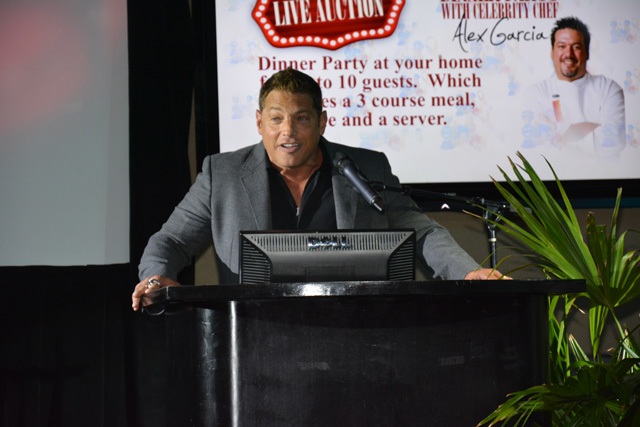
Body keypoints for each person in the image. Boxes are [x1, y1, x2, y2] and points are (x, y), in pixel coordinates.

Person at [132, 67, 508, 311]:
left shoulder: (365, 169)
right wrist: (156, 277)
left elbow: (421, 230)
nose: (288, 132)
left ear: (322, 122)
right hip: (252, 333)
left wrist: (468, 272)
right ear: (259, 122)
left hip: (356, 331)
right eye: (276, 119)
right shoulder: (223, 174)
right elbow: (172, 241)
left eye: (301, 119)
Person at [522, 16, 625, 156]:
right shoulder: (536, 93)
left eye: (576, 47)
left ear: (587, 53)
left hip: (605, 170)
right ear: (552, 52)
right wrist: (590, 129)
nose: (568, 54)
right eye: (561, 46)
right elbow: (539, 146)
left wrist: (565, 136)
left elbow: (613, 141)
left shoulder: (608, 88)